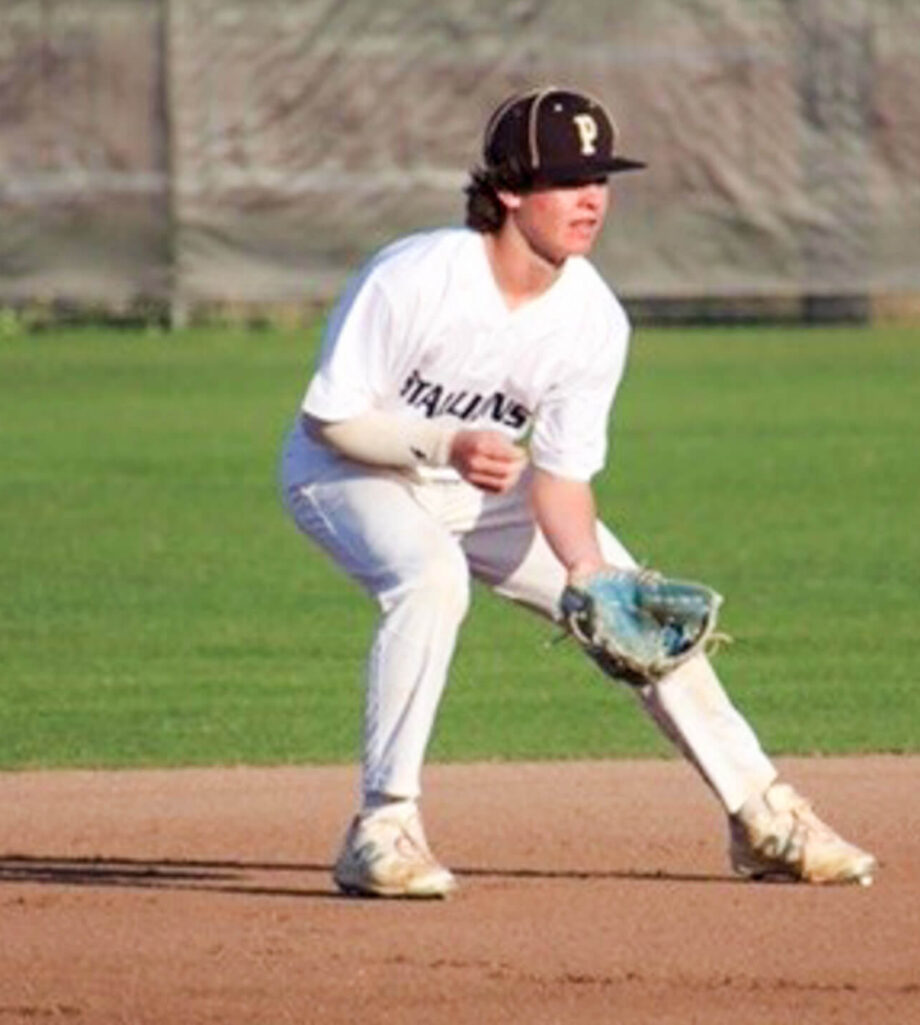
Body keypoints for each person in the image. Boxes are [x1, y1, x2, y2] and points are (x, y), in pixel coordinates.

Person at [279, 86, 876, 899]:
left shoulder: (593, 319)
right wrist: (446, 442)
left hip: (481, 485)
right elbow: (330, 420)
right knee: (430, 579)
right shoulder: (416, 277)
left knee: (641, 615)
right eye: (567, 179)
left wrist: (589, 573)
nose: (592, 198)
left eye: (601, 178)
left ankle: (762, 815)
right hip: (352, 472)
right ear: (508, 190)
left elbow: (561, 480)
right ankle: (381, 828)